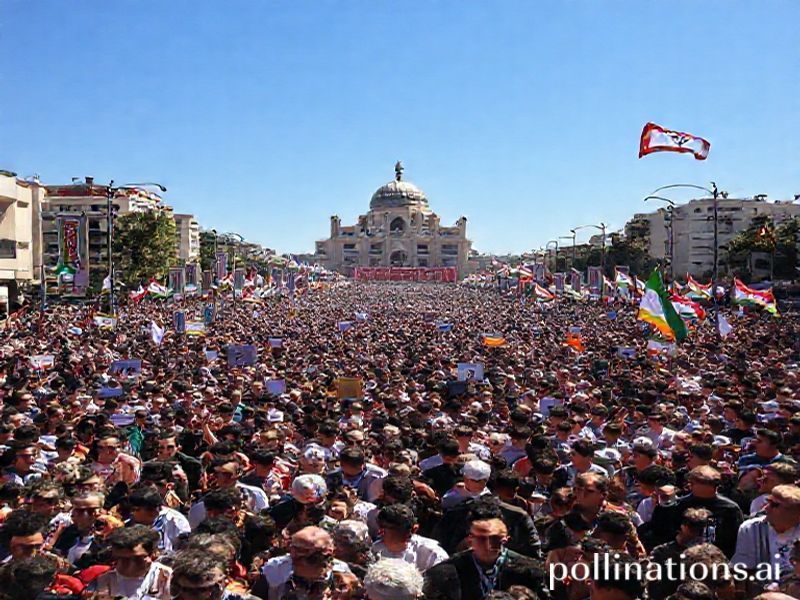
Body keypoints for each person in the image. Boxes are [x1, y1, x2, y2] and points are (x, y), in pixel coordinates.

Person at [423, 514, 547, 599]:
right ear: (470, 539)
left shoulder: (529, 571)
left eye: (494, 539)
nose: (488, 545)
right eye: (481, 539)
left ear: (505, 540)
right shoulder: (445, 574)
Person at [732, 484, 800, 592]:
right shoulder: (751, 529)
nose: (766, 508)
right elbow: (742, 570)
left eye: (774, 505)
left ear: (795, 513)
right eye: (768, 502)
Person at [253, 526, 351, 599]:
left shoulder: (341, 571)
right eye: (293, 547)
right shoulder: (275, 568)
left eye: (301, 551)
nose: (293, 554)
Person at [85, 524, 172, 599]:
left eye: (137, 559)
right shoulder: (105, 580)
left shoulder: (166, 577)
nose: (129, 565)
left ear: (151, 555)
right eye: (121, 559)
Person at [371, 503, 448, 572]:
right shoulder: (376, 548)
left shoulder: (432, 555)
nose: (379, 533)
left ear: (411, 531)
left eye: (384, 528)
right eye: (379, 527)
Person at [127, 483, 191, 552]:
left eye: (157, 507)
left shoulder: (175, 520)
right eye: (149, 509)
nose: (156, 512)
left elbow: (186, 548)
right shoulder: (126, 524)